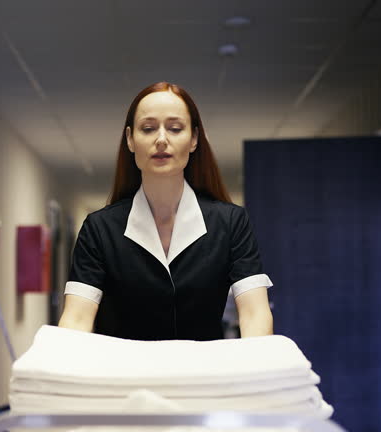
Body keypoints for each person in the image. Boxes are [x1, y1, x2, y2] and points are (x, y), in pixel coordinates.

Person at [58, 82, 273, 340]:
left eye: (175, 128)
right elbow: (77, 318)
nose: (161, 140)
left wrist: (258, 373)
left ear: (194, 139)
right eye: (148, 129)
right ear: (130, 139)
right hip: (125, 377)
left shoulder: (230, 223)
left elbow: (254, 314)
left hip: (203, 376)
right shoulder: (99, 229)